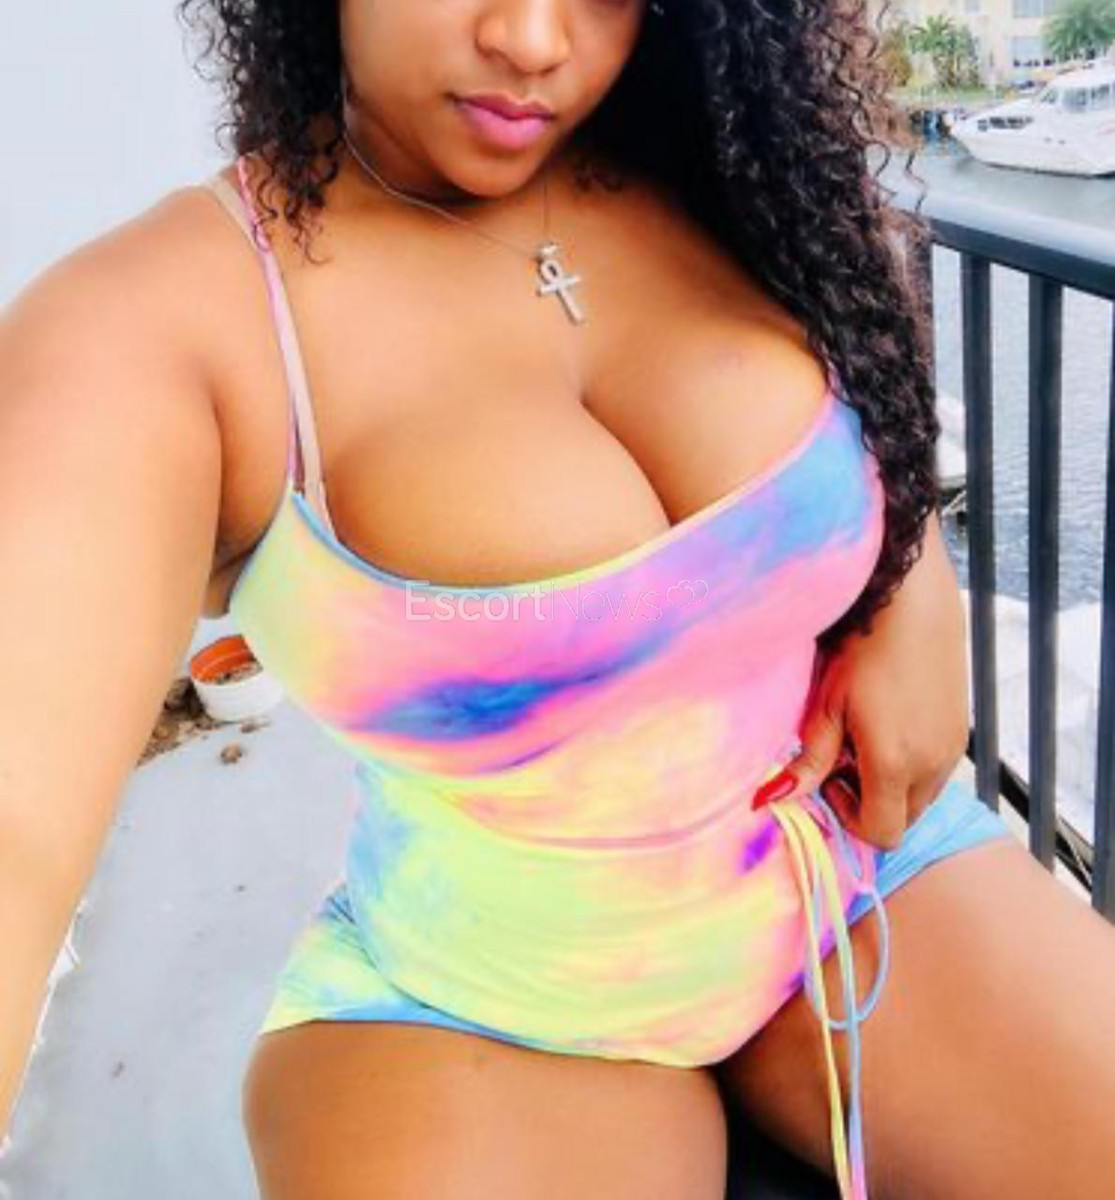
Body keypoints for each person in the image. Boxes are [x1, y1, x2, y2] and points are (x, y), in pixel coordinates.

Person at [3, 0, 1115, 1196]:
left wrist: (905, 575)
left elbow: (867, 356)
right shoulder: (160, 327)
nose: (534, 40)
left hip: (860, 879)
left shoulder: (717, 163)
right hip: (490, 1010)